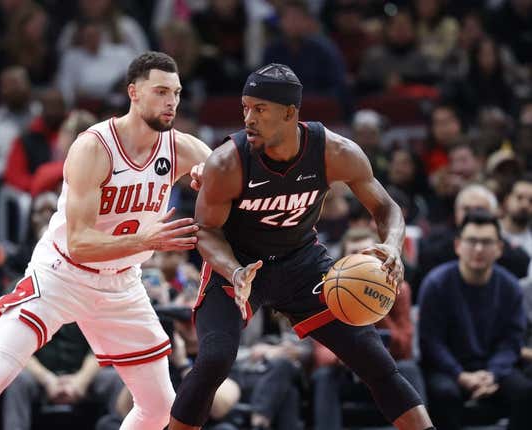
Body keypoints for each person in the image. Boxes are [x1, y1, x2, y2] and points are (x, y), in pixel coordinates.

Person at [0, 51, 211, 430]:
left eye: (176, 93)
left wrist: (223, 183)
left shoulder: (182, 148)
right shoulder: (94, 147)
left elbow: (231, 180)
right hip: (62, 273)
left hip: (120, 282)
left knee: (160, 406)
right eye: (161, 91)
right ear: (133, 92)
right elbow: (80, 243)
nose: (171, 102)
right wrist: (146, 239)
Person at [169, 64, 434, 430]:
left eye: (259, 109)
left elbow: (387, 207)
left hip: (301, 263)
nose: (248, 117)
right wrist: (234, 270)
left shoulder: (335, 152)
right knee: (214, 359)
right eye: (245, 107)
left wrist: (391, 245)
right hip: (241, 264)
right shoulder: (228, 161)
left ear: (290, 113)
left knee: (374, 358)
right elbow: (206, 230)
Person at [418, 210, 532, 430]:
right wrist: (460, 375)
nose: (479, 249)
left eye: (487, 242)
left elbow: (512, 341)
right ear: (458, 245)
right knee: (444, 395)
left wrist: (492, 374)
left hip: (494, 369)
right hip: (448, 369)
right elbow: (431, 342)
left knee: (526, 393)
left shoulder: (509, 287)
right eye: (472, 241)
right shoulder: (436, 284)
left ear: (499, 248)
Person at [312, 227, 426, 430]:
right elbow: (321, 354)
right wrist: (348, 354)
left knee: (410, 369)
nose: (359, 260)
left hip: (387, 370)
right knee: (324, 377)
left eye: (365, 254)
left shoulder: (399, 289)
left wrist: (373, 304)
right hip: (348, 373)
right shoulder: (330, 290)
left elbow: (406, 346)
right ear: (342, 260)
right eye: (353, 254)